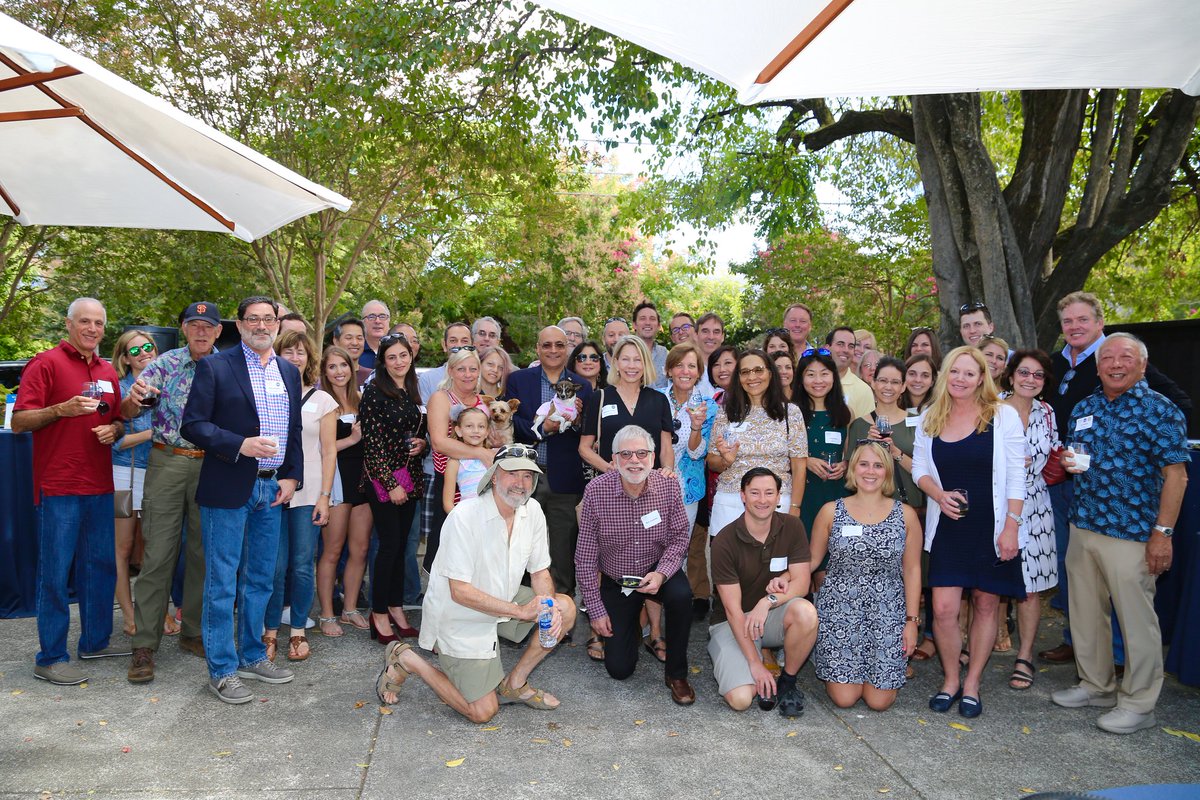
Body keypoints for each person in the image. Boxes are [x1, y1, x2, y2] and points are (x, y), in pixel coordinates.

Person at [1040, 291, 1191, 666]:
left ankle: (1123, 660)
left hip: (1128, 517)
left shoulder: (1133, 374)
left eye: (1082, 320)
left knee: (1126, 592)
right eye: (1068, 322)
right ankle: (1083, 653)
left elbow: (1176, 455)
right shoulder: (1061, 368)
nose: (1075, 327)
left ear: (1099, 324)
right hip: (1075, 494)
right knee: (1079, 581)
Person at [1050, 333, 1188, 734]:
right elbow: (1076, 454)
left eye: (1125, 356)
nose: (1115, 363)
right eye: (1107, 357)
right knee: (1086, 612)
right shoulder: (1085, 407)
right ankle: (1096, 685)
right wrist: (1069, 461)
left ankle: (1140, 703)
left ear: (1142, 364)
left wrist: (1163, 533)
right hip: (1084, 525)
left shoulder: (1160, 410)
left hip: (1132, 533)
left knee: (1136, 620)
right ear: (1097, 366)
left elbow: (1176, 476)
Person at [376, 446, 577, 721]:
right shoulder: (465, 516)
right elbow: (459, 592)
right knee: (482, 712)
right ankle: (408, 659)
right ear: (493, 476)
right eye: (512, 473)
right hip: (460, 613)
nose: (521, 483)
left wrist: (548, 607)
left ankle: (514, 684)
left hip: (502, 599)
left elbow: (540, 571)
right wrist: (520, 611)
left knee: (564, 608)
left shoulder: (533, 511)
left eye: (528, 476)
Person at [180, 296, 304, 703]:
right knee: (221, 582)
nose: (262, 325)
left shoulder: (288, 371)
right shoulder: (216, 366)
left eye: (269, 319)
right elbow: (193, 425)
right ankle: (222, 669)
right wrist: (240, 445)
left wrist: (291, 476)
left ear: (278, 324)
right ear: (239, 323)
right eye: (253, 319)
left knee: (261, 579)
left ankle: (253, 655)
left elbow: (295, 431)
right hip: (229, 484)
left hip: (273, 489)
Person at [13, 297, 130, 685]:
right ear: (68, 324)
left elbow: (115, 422)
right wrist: (59, 410)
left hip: (99, 484)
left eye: (98, 323)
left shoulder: (107, 371)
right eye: (85, 321)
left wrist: (116, 429)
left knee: (100, 567)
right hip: (59, 486)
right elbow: (19, 422)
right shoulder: (44, 363)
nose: (92, 329)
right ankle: (50, 657)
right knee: (55, 572)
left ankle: (94, 642)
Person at [912, 346, 1025, 719]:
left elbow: (1015, 476)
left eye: (969, 373)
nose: (960, 379)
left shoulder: (1003, 416)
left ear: (982, 378)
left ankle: (973, 682)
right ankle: (950, 679)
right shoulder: (930, 415)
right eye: (954, 371)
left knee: (987, 604)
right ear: (946, 375)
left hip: (991, 526)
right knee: (943, 610)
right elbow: (919, 470)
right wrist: (938, 495)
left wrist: (1011, 526)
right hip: (948, 525)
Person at [121, 302, 222, 683]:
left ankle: (193, 632)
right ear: (183, 328)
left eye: (207, 326)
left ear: (217, 332)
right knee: (159, 553)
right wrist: (135, 399)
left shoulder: (228, 366)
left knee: (201, 551)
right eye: (193, 325)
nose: (200, 332)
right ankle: (144, 645)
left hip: (212, 464)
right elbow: (133, 407)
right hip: (167, 461)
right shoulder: (162, 365)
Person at [576, 425, 695, 704]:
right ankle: (633, 624)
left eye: (642, 453)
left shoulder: (668, 485)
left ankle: (676, 673)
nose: (634, 460)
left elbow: (680, 537)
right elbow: (584, 557)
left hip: (657, 569)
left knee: (681, 596)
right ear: (615, 459)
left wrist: (663, 573)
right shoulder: (596, 491)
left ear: (653, 458)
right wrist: (595, 610)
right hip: (618, 577)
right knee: (619, 669)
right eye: (626, 454)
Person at [809, 441, 922, 711]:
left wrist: (912, 622)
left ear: (887, 472)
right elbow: (811, 562)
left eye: (878, 465)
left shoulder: (905, 515)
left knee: (878, 702)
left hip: (887, 613)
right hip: (839, 611)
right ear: (853, 469)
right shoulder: (830, 511)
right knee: (844, 699)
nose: (870, 471)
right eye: (863, 464)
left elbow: (912, 569)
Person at [707, 467, 817, 715]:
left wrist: (767, 602)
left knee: (806, 612)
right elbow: (733, 610)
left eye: (769, 493)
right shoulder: (724, 541)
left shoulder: (792, 526)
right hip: (731, 623)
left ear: (779, 497)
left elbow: (801, 582)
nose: (762, 500)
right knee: (741, 700)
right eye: (754, 493)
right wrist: (755, 664)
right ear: (742, 496)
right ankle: (756, 662)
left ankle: (787, 681)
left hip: (768, 617)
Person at [263, 330, 337, 663]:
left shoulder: (322, 401)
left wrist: (325, 496)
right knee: (274, 567)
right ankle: (268, 632)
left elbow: (328, 451)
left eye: (301, 353)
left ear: (310, 359)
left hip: (309, 492)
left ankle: (297, 633)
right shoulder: (265, 393)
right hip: (270, 489)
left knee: (302, 565)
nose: (295, 357)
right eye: (288, 352)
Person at [508, 326, 593, 601]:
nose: (553, 350)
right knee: (518, 542)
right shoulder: (518, 380)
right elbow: (512, 422)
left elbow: (589, 433)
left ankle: (562, 610)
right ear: (537, 348)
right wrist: (542, 428)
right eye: (547, 345)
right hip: (524, 475)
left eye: (559, 344)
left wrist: (578, 421)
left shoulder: (584, 385)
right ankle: (518, 608)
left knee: (562, 547)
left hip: (565, 478)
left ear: (567, 347)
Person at [359, 332, 426, 644]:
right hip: (384, 480)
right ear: (383, 362)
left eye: (403, 355)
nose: (399, 362)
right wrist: (390, 484)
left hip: (410, 478)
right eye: (392, 357)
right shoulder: (374, 392)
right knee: (387, 548)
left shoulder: (412, 388)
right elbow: (371, 447)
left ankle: (397, 607)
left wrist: (423, 444)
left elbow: (415, 430)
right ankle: (379, 614)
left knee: (402, 549)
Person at [999, 350, 1060, 691]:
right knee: (988, 585)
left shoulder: (1047, 412)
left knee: (1030, 588)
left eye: (1038, 375)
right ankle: (972, 647)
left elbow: (1053, 450)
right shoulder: (991, 411)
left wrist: (1064, 457)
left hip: (1035, 505)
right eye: (1024, 373)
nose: (1030, 380)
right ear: (1010, 376)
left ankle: (1024, 655)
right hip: (999, 503)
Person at [707, 349, 807, 537]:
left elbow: (799, 466)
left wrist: (795, 507)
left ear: (770, 373)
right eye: (745, 372)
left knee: (775, 565)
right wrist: (725, 461)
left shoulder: (791, 413)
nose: (752, 377)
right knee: (729, 565)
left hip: (776, 503)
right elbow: (712, 460)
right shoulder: (726, 412)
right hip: (731, 501)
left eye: (758, 370)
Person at [315, 346, 371, 637]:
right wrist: (351, 439)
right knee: (332, 550)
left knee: (359, 549)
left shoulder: (362, 400)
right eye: (332, 367)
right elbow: (321, 450)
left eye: (343, 366)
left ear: (352, 368)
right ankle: (326, 614)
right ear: (324, 372)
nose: (339, 372)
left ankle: (349, 609)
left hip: (363, 480)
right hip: (335, 480)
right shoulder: (322, 403)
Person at [110, 330, 161, 637]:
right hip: (124, 477)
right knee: (123, 548)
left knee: (154, 551)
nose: (144, 352)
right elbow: (116, 443)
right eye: (135, 350)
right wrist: (153, 434)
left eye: (148, 347)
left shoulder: (167, 385)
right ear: (125, 358)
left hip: (158, 475)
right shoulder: (119, 390)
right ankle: (129, 615)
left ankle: (153, 612)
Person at [425, 346, 493, 569]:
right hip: (451, 480)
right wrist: (480, 453)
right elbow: (439, 442)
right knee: (448, 544)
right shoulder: (441, 398)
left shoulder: (484, 402)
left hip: (482, 482)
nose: (468, 374)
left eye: (473, 369)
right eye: (461, 369)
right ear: (451, 371)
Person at [793, 347, 852, 588]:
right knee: (802, 568)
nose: (818, 381)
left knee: (831, 573)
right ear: (801, 378)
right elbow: (778, 455)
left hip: (836, 495)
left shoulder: (845, 413)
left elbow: (852, 455)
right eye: (811, 374)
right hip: (803, 497)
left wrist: (847, 464)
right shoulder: (790, 412)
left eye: (824, 374)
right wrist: (805, 461)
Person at [579, 335, 674, 476]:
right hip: (612, 485)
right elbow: (584, 448)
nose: (631, 366)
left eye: (638, 360)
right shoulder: (600, 398)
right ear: (616, 363)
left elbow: (666, 448)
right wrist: (609, 469)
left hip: (651, 486)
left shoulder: (659, 400)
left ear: (645, 364)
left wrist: (667, 469)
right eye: (625, 359)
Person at [443, 407, 491, 509]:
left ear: (487, 432)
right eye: (469, 426)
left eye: (481, 426)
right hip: (468, 515)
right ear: (459, 431)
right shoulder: (455, 462)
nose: (476, 431)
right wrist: (459, 521)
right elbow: (447, 503)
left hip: (493, 515)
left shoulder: (493, 456)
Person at [416, 321, 473, 402]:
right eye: (453, 341)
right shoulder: (428, 379)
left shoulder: (477, 379)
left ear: (472, 346)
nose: (459, 346)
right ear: (444, 345)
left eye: (464, 341)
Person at [825, 327, 873, 418]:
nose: (846, 350)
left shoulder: (863, 390)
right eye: (840, 344)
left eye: (851, 346)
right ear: (827, 348)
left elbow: (867, 429)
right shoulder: (813, 383)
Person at [632, 300, 669, 388]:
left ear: (659, 325)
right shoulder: (625, 353)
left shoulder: (665, 354)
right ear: (634, 325)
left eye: (652, 319)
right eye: (642, 318)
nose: (647, 323)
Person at [694, 313, 726, 396]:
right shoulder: (686, 370)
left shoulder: (732, 369)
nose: (711, 337)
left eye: (716, 332)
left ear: (722, 336)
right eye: (705, 331)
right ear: (696, 335)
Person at [332, 316, 367, 385]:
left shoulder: (372, 377)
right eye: (349, 338)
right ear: (336, 341)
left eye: (359, 338)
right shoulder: (325, 377)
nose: (355, 343)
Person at [359, 300, 391, 370]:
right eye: (371, 316)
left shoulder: (397, 351)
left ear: (389, 321)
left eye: (382, 316)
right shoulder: (355, 351)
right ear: (362, 323)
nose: (377, 321)